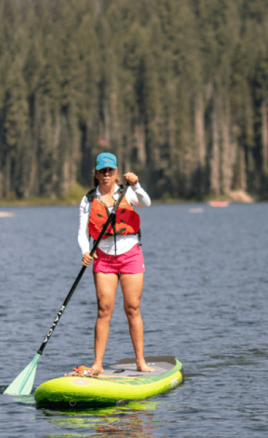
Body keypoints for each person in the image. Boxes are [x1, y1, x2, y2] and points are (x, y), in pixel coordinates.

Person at [78, 152, 154, 374]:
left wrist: (137, 185)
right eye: (102, 171)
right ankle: (97, 364)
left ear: (117, 172)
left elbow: (146, 203)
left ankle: (140, 361)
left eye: (110, 170)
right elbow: (82, 232)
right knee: (104, 310)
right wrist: (85, 251)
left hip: (130, 254)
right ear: (96, 173)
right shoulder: (88, 199)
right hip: (103, 257)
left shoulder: (128, 192)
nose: (106, 174)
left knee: (132, 308)